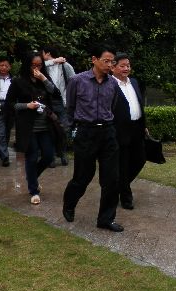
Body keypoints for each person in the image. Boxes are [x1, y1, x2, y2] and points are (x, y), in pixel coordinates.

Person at [62, 45, 123, 232]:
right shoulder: (77, 81)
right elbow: (70, 108)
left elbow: (113, 106)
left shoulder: (113, 83)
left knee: (111, 179)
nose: (109, 65)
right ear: (94, 59)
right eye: (106, 61)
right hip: (86, 133)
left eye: (112, 62)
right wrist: (71, 132)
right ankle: (69, 204)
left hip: (107, 132)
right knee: (83, 176)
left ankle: (106, 219)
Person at [4, 52, 57, 205]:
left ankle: (31, 177)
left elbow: (55, 93)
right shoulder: (18, 82)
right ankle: (33, 190)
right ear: (27, 65)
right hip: (28, 126)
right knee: (32, 157)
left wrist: (43, 78)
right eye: (33, 65)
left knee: (48, 156)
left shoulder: (44, 79)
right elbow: (9, 104)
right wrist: (26, 105)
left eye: (39, 65)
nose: (36, 68)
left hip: (45, 124)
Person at [111, 52, 146, 210]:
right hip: (120, 130)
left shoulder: (134, 82)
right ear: (113, 68)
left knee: (140, 159)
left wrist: (144, 125)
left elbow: (139, 104)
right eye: (122, 66)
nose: (126, 68)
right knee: (123, 164)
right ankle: (126, 196)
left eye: (128, 65)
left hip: (137, 128)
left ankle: (119, 185)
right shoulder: (110, 85)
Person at [41, 46, 75, 167]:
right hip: (48, 102)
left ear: (48, 53)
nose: (41, 55)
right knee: (49, 129)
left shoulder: (65, 66)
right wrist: (54, 61)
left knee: (64, 129)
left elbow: (74, 82)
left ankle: (62, 153)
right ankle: (51, 157)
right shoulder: (44, 67)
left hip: (63, 102)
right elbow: (36, 67)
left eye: (42, 53)